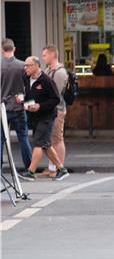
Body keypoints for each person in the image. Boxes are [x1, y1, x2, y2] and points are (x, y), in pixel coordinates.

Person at [17, 57, 69, 181]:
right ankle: (62, 169)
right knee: (46, 145)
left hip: (47, 117)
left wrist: (40, 106)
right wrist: (21, 98)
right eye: (25, 66)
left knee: (38, 143)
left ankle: (31, 171)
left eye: (28, 66)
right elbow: (27, 94)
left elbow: (56, 99)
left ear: (36, 66)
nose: (25, 68)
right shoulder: (26, 78)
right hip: (35, 117)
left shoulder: (46, 81)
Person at [1, 38, 32, 170]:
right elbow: (29, 86)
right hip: (19, 107)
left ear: (2, 50)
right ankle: (29, 167)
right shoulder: (22, 66)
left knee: (1, 139)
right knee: (23, 138)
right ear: (14, 49)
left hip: (2, 107)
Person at [42, 45, 68, 179]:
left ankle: (60, 167)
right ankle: (52, 167)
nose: (43, 57)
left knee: (57, 139)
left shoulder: (59, 73)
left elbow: (55, 93)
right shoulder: (48, 70)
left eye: (45, 55)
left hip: (58, 109)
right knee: (50, 139)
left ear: (52, 55)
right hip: (50, 109)